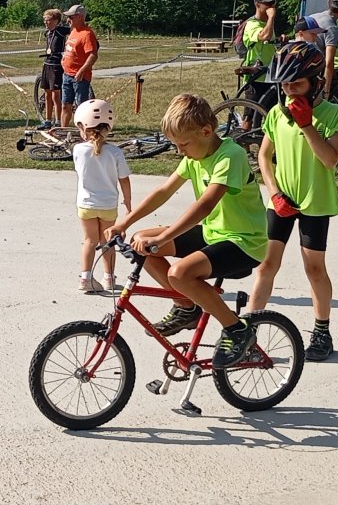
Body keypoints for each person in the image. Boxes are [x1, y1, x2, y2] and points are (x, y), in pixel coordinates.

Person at [106, 94, 268, 369]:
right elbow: (163, 191)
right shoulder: (195, 155)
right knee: (139, 241)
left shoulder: (231, 156)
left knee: (179, 273)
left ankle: (236, 329)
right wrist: (125, 223)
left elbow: (205, 205)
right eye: (175, 145)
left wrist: (163, 238)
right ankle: (185, 306)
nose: (180, 151)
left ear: (206, 131)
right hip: (213, 233)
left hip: (244, 242)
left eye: (183, 144)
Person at [248, 40, 338, 361]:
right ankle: (247, 332)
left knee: (314, 268)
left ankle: (321, 331)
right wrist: (274, 192)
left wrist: (306, 125)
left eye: (297, 84)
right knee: (266, 265)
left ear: (315, 82)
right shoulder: (276, 114)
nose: (290, 91)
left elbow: (330, 159)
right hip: (281, 199)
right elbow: (264, 157)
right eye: (285, 85)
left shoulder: (332, 114)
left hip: (315, 202)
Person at [71, 99, 132, 294]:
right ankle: (109, 278)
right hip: (108, 205)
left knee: (89, 240)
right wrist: (128, 202)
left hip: (85, 204)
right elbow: (124, 179)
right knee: (107, 242)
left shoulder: (78, 150)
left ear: (83, 126)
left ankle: (85, 278)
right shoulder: (115, 152)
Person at [294, 0, 338, 99]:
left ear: (328, 2)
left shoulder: (313, 16)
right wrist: (326, 90)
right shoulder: (332, 28)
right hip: (314, 73)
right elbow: (329, 62)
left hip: (299, 67)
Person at [237, 0, 281, 109]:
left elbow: (268, 43)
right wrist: (271, 17)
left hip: (269, 75)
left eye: (273, 3)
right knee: (251, 115)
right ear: (258, 4)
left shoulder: (266, 24)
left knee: (270, 111)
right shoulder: (252, 24)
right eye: (268, 4)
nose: (272, 7)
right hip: (255, 77)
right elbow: (264, 36)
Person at [58, 3, 98, 127]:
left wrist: (81, 71)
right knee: (65, 105)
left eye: (71, 17)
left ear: (80, 17)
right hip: (67, 75)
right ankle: (63, 130)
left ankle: (84, 131)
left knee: (81, 107)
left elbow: (93, 55)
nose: (68, 20)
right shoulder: (74, 31)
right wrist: (64, 59)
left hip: (80, 77)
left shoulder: (87, 34)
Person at [39, 8, 70, 126]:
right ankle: (47, 120)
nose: (46, 22)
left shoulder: (61, 30)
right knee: (47, 93)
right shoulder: (47, 33)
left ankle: (58, 121)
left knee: (55, 94)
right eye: (44, 20)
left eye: (48, 20)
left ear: (56, 21)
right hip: (47, 63)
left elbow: (74, 30)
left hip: (57, 65)